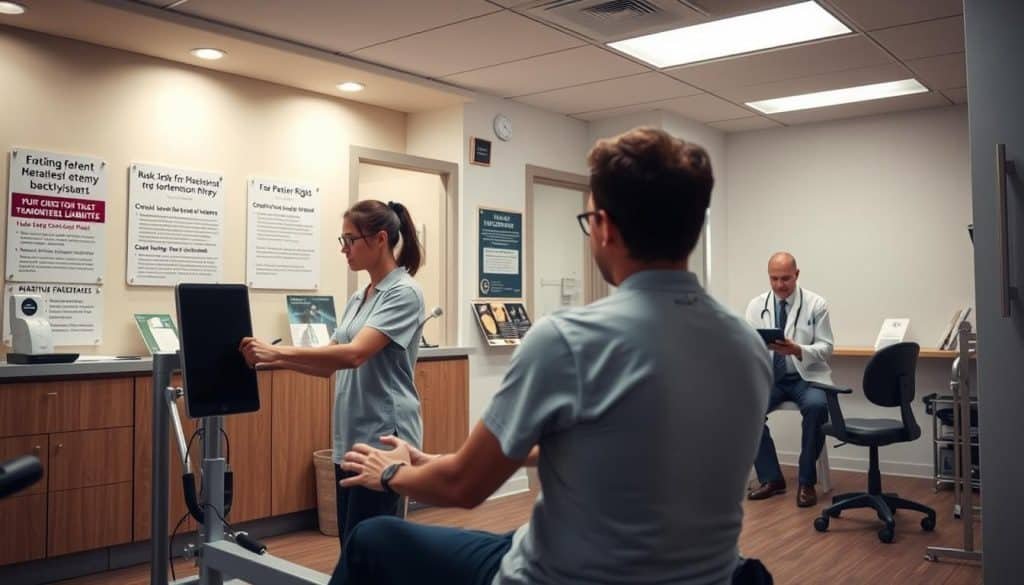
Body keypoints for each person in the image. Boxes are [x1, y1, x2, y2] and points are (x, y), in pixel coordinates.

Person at [329, 128, 772, 585]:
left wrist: (392, 472)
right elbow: (626, 442)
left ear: (603, 227)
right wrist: (431, 459)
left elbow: (463, 487)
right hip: (707, 577)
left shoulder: (568, 340)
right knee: (513, 534)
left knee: (371, 539)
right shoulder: (746, 343)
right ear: (694, 227)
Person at [239, 199, 425, 545]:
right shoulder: (360, 298)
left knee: (371, 550)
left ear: (380, 238)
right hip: (351, 437)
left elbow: (355, 355)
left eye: (350, 240)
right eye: (342, 241)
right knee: (351, 544)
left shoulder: (404, 293)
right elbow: (329, 362)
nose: (344, 250)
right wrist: (269, 359)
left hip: (384, 440)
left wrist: (277, 351)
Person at [744, 252, 834, 507]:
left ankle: (806, 481)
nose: (779, 285)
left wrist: (798, 350)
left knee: (817, 407)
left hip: (807, 377)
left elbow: (827, 347)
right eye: (774, 279)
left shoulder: (816, 304)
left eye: (785, 278)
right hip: (772, 378)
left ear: (797, 274)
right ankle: (772, 478)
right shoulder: (756, 305)